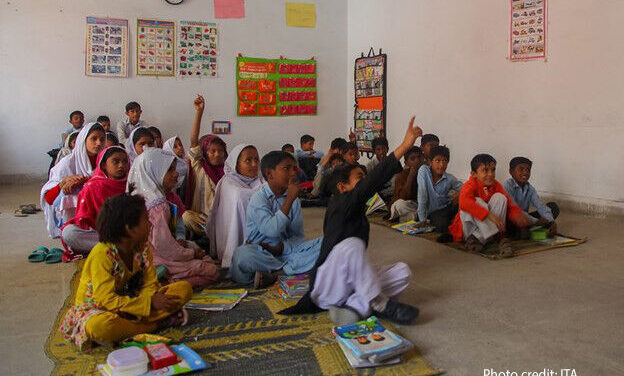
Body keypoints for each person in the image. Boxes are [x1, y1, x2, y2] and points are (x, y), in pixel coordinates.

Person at [280, 117, 423, 326]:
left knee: (402, 271)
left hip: (349, 286)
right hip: (328, 285)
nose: (364, 182)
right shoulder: (341, 203)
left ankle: (355, 306)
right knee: (352, 245)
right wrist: (404, 146)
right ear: (342, 187)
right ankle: (377, 302)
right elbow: (373, 182)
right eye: (359, 178)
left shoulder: (353, 206)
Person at [59, 194, 193, 351]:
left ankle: (132, 328)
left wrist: (150, 299)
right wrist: (148, 304)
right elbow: (107, 300)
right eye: (145, 220)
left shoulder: (142, 248)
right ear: (130, 229)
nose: (150, 224)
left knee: (184, 289)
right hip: (100, 309)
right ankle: (152, 325)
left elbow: (150, 283)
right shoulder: (102, 254)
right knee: (100, 327)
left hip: (135, 301)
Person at [128, 148, 218, 288]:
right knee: (210, 270)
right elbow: (164, 246)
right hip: (157, 259)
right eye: (169, 170)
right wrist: (191, 254)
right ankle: (166, 282)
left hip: (139, 259)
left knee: (203, 259)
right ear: (154, 172)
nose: (176, 174)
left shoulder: (136, 197)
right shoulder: (158, 206)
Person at [230, 151, 323, 287]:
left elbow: (298, 236)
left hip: (285, 253)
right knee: (243, 255)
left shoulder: (294, 201)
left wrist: (281, 249)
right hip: (261, 255)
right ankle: (291, 269)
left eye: (294, 169)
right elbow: (271, 230)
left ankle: (276, 274)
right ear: (269, 174)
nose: (293, 173)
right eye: (287, 169)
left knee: (326, 243)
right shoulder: (258, 198)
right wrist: (289, 200)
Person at [448, 154, 531, 257]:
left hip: (481, 233)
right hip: (469, 231)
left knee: (501, 198)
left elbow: (509, 204)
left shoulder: (496, 185)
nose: (491, 174)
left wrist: (518, 215)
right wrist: (490, 216)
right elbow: (464, 203)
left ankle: (479, 239)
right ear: (474, 174)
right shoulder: (469, 185)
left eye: (493, 170)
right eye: (485, 170)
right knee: (477, 201)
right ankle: (499, 239)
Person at [61, 146, 129, 260]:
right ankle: (118, 246)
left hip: (129, 231)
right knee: (69, 233)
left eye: (125, 161)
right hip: (102, 233)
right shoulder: (93, 186)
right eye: (115, 162)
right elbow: (86, 220)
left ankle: (114, 247)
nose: (121, 165)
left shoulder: (132, 183)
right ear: (103, 166)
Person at [41, 123, 106, 238]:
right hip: (76, 219)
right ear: (83, 140)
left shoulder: (105, 161)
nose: (99, 143)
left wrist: (89, 181)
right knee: (70, 234)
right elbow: (49, 199)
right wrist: (63, 183)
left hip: (103, 217)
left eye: (102, 139)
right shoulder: (68, 163)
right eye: (94, 139)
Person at [208, 144, 263, 268]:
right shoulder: (228, 182)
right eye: (248, 161)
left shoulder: (259, 180)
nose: (254, 165)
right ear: (236, 164)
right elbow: (242, 197)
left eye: (256, 160)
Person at [186, 94, 227, 214]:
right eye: (212, 151)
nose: (217, 154)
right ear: (204, 152)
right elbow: (194, 141)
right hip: (200, 219)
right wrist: (199, 112)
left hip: (220, 220)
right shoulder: (199, 166)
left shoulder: (228, 171)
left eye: (220, 151)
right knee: (187, 218)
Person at [503, 157, 559, 237]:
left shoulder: (530, 188)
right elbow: (514, 210)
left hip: (526, 220)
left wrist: (551, 221)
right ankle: (520, 231)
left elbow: (540, 206)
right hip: (512, 220)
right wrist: (536, 221)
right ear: (511, 172)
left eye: (528, 170)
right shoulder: (507, 186)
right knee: (512, 222)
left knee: (553, 207)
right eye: (521, 169)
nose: (525, 172)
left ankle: (525, 230)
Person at [416, 145, 463, 236]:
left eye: (444, 161)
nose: (441, 165)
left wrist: (459, 195)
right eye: (437, 161)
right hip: (432, 212)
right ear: (430, 161)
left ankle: (455, 221)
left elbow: (465, 188)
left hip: (446, 208)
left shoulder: (450, 178)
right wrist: (422, 220)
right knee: (441, 226)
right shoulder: (423, 171)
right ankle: (452, 222)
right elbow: (422, 195)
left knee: (463, 205)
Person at [389, 146, 424, 221]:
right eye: (412, 159)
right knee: (399, 205)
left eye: (419, 157)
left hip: (422, 204)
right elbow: (403, 197)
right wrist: (411, 176)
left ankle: (411, 217)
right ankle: (417, 216)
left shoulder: (428, 172)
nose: (417, 161)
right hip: (409, 204)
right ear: (406, 163)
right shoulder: (402, 175)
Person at [366, 137, 393, 203]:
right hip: (374, 196)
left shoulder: (393, 164)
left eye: (383, 148)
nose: (381, 152)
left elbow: (395, 186)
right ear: (374, 151)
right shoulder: (370, 166)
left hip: (390, 195)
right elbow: (368, 186)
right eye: (378, 149)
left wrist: (381, 193)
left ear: (387, 149)